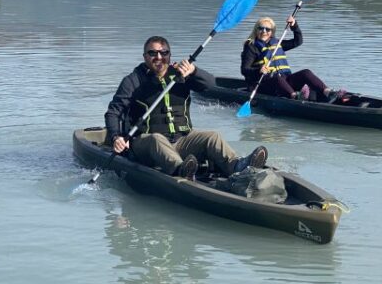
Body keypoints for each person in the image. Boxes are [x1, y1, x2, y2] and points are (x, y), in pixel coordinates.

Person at [105, 35, 267, 179]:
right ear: (145, 56)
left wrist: (194, 71)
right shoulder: (132, 81)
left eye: (163, 53)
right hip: (145, 143)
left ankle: (237, 166)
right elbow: (113, 112)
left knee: (212, 136)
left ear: (169, 55)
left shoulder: (181, 74)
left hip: (180, 139)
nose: (158, 57)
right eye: (152, 53)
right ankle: (180, 170)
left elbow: (210, 84)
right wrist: (116, 137)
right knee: (156, 139)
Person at [241, 16, 344, 103]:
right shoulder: (251, 47)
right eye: (261, 28)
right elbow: (244, 70)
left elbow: (297, 41)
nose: (264, 31)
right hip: (264, 85)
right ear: (256, 30)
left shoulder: (277, 43)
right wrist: (259, 70)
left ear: (272, 32)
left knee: (306, 73)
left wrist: (294, 26)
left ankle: (328, 92)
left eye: (268, 29)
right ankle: (295, 97)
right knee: (277, 78)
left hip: (284, 82)